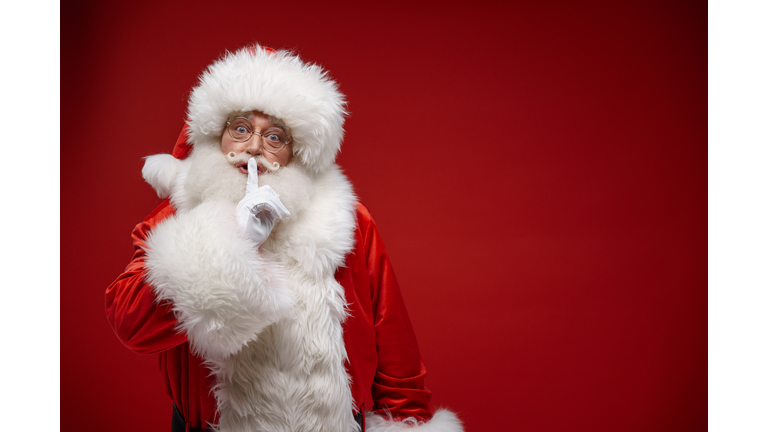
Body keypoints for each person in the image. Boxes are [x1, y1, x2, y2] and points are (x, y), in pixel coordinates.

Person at [105, 45, 463, 432]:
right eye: (240, 129)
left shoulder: (347, 221)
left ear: (297, 152)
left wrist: (409, 423)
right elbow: (131, 325)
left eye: (275, 137)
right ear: (217, 133)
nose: (254, 148)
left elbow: (396, 356)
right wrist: (227, 243)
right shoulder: (179, 214)